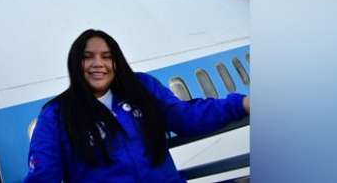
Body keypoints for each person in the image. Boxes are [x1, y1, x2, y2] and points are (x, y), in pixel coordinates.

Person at [24, 29, 250, 182]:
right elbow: (44, 175)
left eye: (106, 56)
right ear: (76, 63)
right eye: (88, 57)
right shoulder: (57, 115)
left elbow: (185, 117)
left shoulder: (141, 87)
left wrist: (241, 104)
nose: (98, 64)